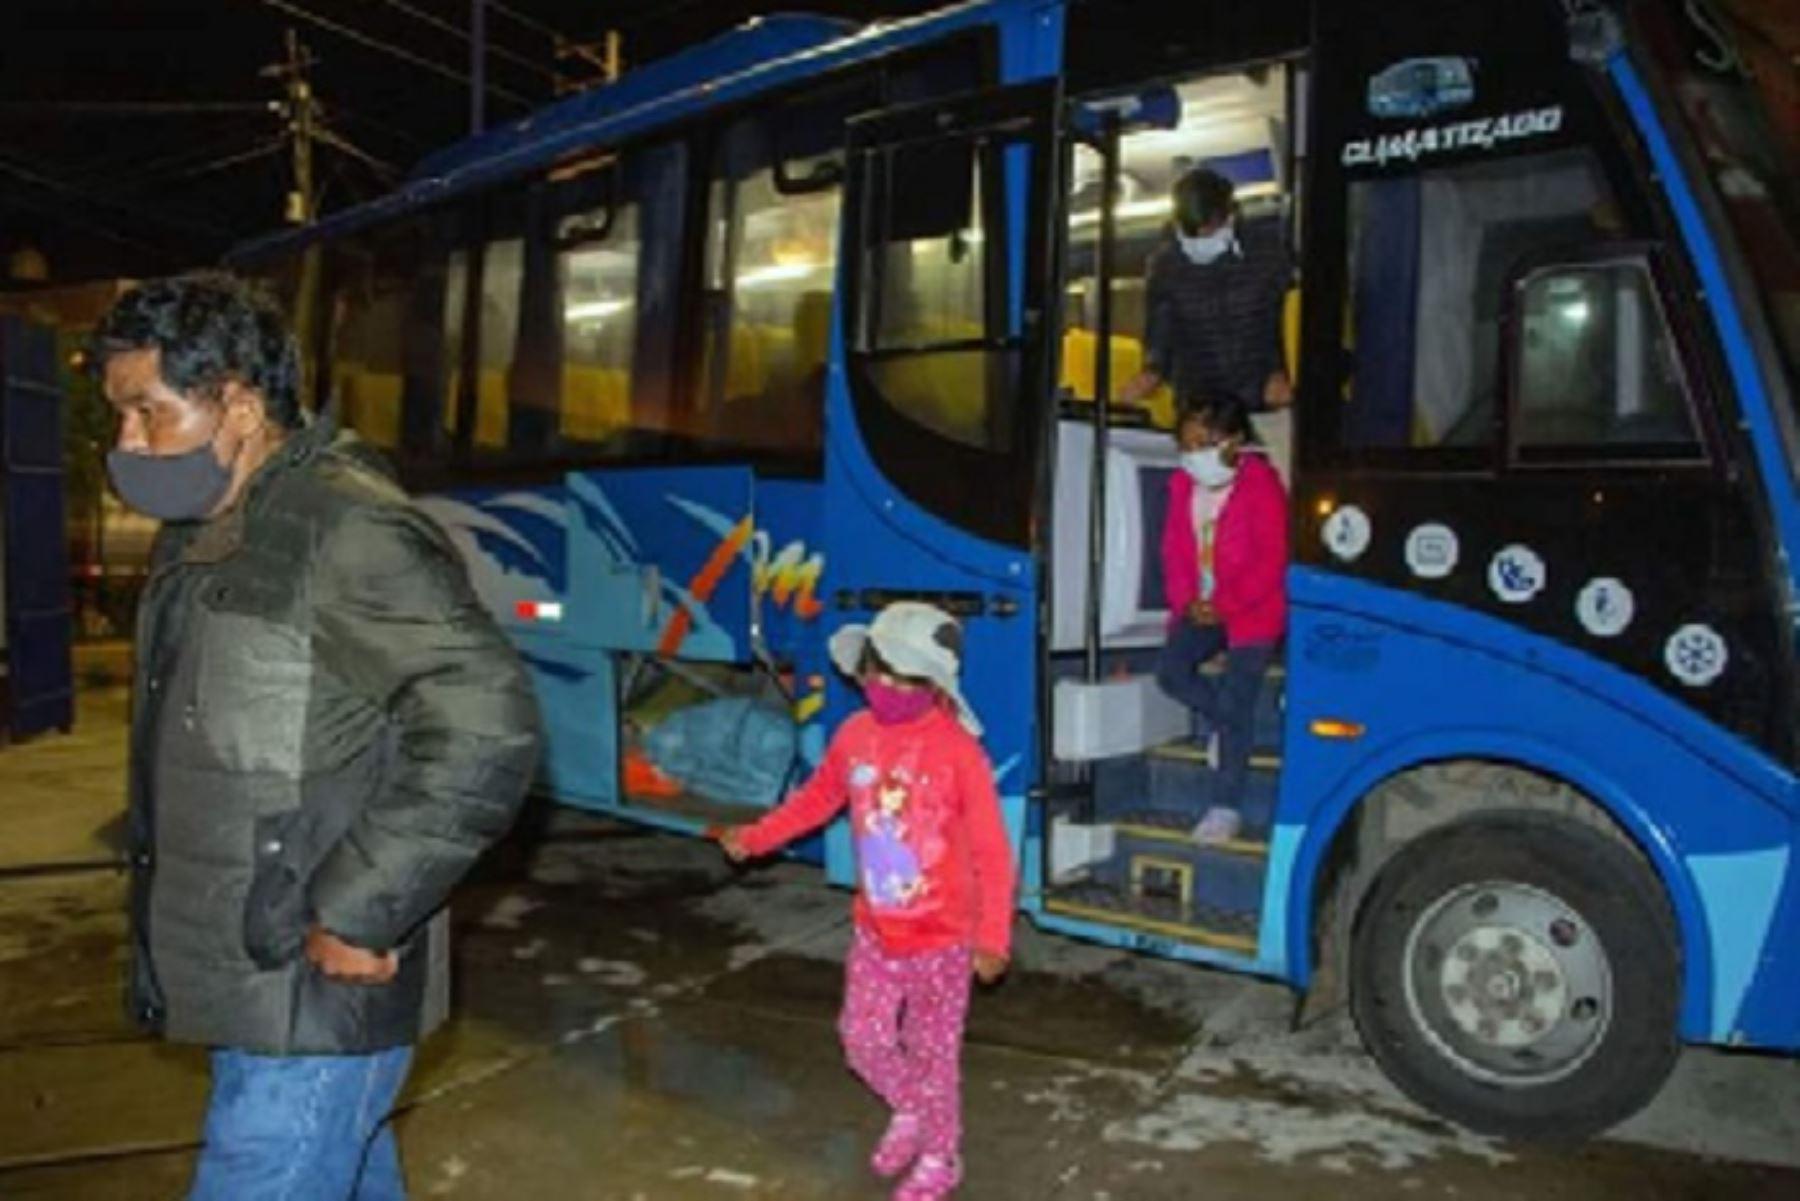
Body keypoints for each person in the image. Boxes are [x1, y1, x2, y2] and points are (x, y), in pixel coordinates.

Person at [94, 272, 541, 1200]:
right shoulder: (210, 525)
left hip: (313, 975)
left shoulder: (347, 528)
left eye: (149, 413)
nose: (126, 444)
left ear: (240, 405)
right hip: (254, 968)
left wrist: (362, 907)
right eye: (121, 418)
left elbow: (484, 723)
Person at [717, 602, 1016, 1201]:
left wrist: (993, 938)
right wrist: (754, 837)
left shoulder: (959, 753)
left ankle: (940, 1152)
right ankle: (911, 1109)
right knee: (863, 1040)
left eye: (906, 677)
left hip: (942, 939)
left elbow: (992, 852)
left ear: (933, 685)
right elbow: (814, 800)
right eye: (880, 670)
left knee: (935, 1055)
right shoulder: (855, 736)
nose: (888, 686)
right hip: (876, 932)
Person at [1155, 398, 1288, 843]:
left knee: (1238, 698)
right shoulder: (1181, 485)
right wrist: (1186, 600)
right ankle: (1223, 723)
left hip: (1253, 609)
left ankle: (1225, 806)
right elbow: (1174, 551)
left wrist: (1226, 604)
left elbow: (1271, 561)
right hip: (1202, 606)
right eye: (1186, 445)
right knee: (1171, 674)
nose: (1193, 455)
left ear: (1233, 442)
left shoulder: (1262, 485)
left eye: (1202, 444)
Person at [1120, 167, 1295, 415]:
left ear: (1228, 215)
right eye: (1193, 231)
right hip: (1200, 402)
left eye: (1210, 228)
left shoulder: (1268, 254)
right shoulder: (1165, 266)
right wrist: (1153, 370)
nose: (1203, 237)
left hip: (1263, 393)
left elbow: (1286, 318)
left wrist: (1282, 371)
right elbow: (1161, 328)